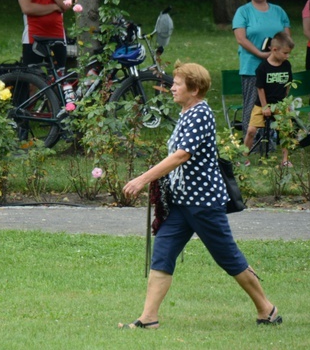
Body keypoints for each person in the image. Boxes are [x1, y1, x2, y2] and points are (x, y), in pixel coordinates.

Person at [119, 62, 282, 330]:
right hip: (183, 204)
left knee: (229, 258)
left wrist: (143, 179)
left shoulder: (200, 114)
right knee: (162, 252)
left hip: (204, 204)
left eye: (178, 83)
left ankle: (267, 309)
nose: (171, 87)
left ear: (194, 89)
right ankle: (148, 318)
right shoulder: (187, 112)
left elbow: (182, 155)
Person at [232, 0, 291, 137]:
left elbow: (286, 39)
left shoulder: (279, 11)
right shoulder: (243, 12)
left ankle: (270, 144)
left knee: (275, 104)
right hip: (252, 67)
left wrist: (276, 56)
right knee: (253, 107)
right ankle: (250, 145)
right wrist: (261, 54)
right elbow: (241, 39)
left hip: (276, 68)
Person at [243, 32, 294, 167]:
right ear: (274, 50)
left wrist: (285, 102)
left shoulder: (286, 65)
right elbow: (260, 88)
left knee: (285, 131)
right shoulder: (263, 68)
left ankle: (285, 159)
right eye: (285, 53)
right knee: (251, 131)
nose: (287, 56)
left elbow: (288, 84)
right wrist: (265, 106)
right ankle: (243, 157)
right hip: (262, 104)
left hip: (280, 104)